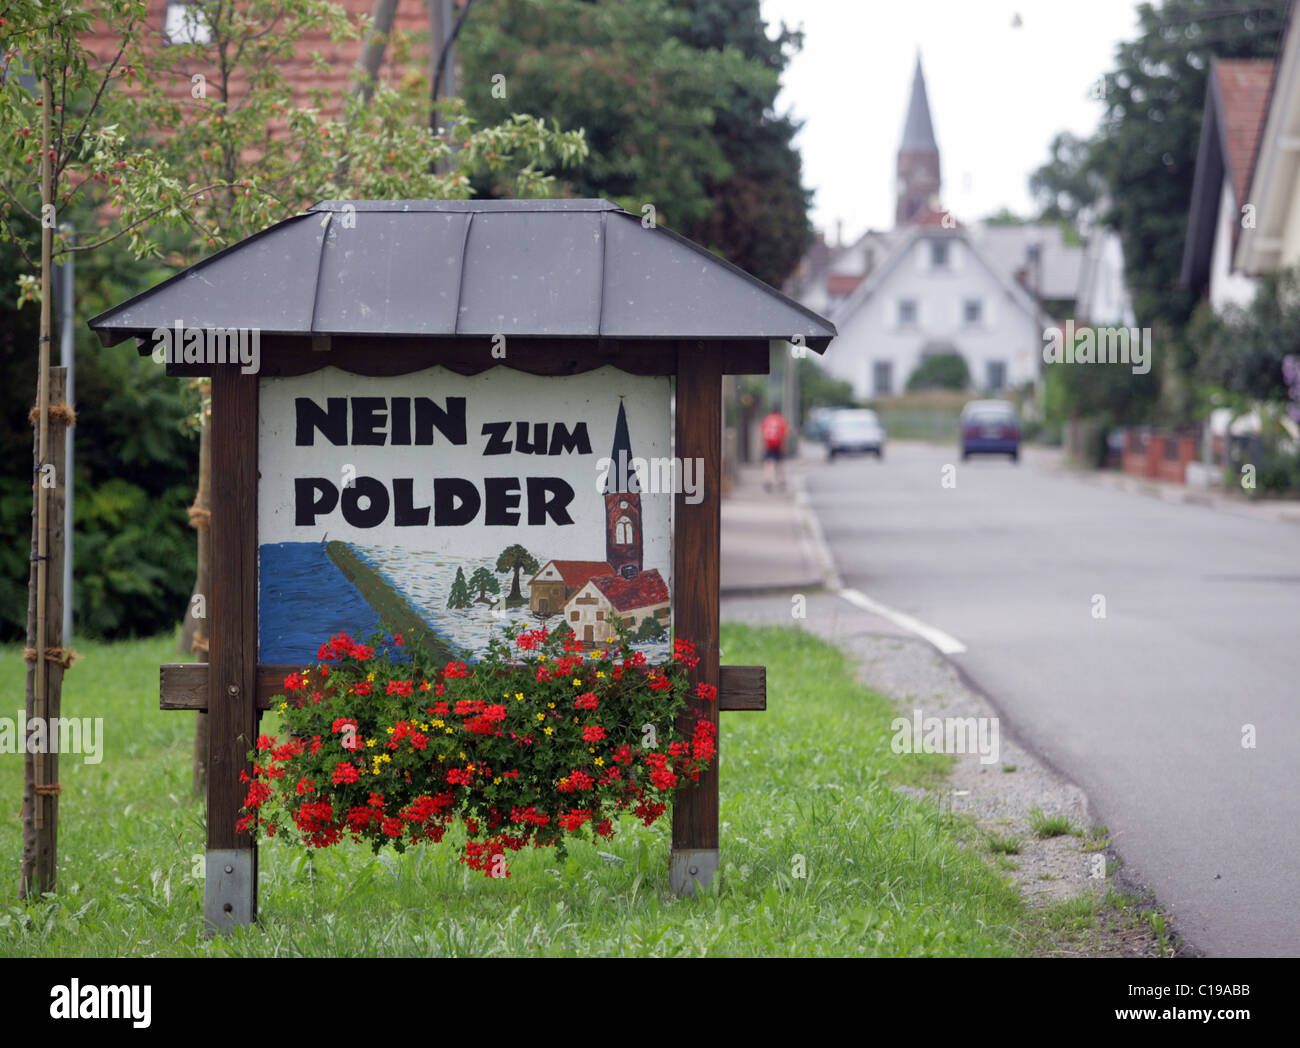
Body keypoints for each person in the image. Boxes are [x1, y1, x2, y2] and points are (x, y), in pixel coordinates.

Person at [760, 405, 790, 492]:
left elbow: (762, 433)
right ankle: (781, 481)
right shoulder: (781, 420)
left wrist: (763, 445)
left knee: (768, 463)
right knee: (780, 463)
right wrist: (784, 447)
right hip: (779, 444)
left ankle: (768, 481)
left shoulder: (766, 419)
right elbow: (784, 435)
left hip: (769, 444)